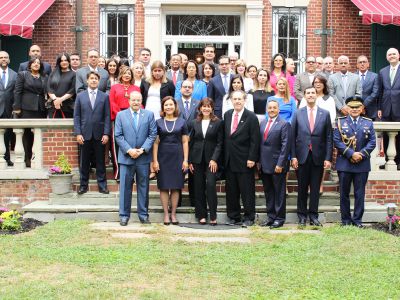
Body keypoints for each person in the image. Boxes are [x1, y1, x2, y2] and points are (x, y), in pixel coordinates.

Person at [291, 86, 332, 226]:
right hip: (302, 156)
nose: (310, 95)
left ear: (317, 95)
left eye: (313, 93)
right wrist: (293, 156)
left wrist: (328, 158)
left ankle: (313, 216)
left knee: (315, 188)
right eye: (308, 93)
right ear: (304, 96)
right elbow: (292, 136)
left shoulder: (325, 114)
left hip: (318, 156)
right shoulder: (298, 113)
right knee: (302, 187)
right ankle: (302, 216)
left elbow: (328, 138)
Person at [115, 91, 157, 226]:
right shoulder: (121, 115)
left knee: (143, 187)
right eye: (133, 100)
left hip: (143, 158)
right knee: (125, 188)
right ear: (129, 101)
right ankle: (124, 215)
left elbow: (152, 134)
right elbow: (118, 135)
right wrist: (129, 150)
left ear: (141, 101)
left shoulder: (149, 115)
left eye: (138, 100)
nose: (136, 102)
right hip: (126, 158)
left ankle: (143, 215)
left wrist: (142, 149)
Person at [334, 96, 376, 227]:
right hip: (345, 163)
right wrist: (351, 154)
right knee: (344, 194)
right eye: (352, 107)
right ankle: (345, 220)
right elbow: (336, 141)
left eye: (357, 107)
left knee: (359, 194)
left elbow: (372, 142)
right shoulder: (340, 122)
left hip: (362, 164)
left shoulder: (368, 122)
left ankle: (357, 220)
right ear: (347, 108)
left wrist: (361, 155)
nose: (354, 109)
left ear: (362, 108)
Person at [224, 90, 260, 227]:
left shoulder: (251, 117)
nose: (237, 101)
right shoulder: (227, 115)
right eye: (235, 99)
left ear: (245, 100)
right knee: (231, 191)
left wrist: (252, 158)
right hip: (229, 160)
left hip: (245, 160)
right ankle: (234, 217)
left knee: (247, 191)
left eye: (240, 99)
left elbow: (255, 140)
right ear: (231, 101)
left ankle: (249, 217)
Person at [152, 96, 189, 225]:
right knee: (163, 186)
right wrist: (155, 161)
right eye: (166, 105)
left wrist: (186, 160)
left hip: (177, 156)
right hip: (162, 157)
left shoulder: (182, 122)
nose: (169, 107)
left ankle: (173, 214)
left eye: (171, 104)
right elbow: (155, 143)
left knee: (175, 187)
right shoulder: (158, 122)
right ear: (163, 107)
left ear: (175, 106)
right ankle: (166, 214)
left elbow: (185, 141)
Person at [73, 71, 111, 195]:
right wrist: (78, 133)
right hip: (84, 134)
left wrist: (106, 133)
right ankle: (83, 185)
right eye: (91, 78)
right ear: (87, 81)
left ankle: (102, 185)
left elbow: (107, 116)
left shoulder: (104, 96)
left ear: (98, 81)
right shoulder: (80, 96)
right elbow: (77, 116)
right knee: (84, 162)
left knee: (100, 162)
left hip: (100, 134)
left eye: (96, 79)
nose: (94, 80)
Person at [189, 98, 223, 225]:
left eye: (209, 106)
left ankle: (213, 215)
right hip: (197, 159)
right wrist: (190, 161)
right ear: (200, 108)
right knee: (198, 187)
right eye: (204, 106)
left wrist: (214, 159)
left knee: (210, 185)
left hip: (211, 160)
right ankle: (201, 215)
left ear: (212, 108)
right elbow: (191, 142)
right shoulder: (194, 123)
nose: (206, 109)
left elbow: (220, 143)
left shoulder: (218, 122)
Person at [259, 99, 291, 228]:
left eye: (274, 108)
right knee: (269, 192)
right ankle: (271, 217)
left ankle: (279, 218)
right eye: (270, 108)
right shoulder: (263, 123)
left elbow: (285, 146)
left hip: (277, 165)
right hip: (264, 164)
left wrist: (280, 164)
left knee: (279, 193)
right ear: (267, 109)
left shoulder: (284, 124)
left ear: (279, 109)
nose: (271, 110)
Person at [13, 57, 48, 168]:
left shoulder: (44, 77)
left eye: (38, 63)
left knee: (38, 134)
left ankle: (37, 157)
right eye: (34, 63)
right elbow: (17, 91)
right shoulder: (23, 74)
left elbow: (46, 92)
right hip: (26, 108)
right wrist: (17, 107)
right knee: (27, 134)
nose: (36, 64)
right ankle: (27, 158)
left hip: (40, 108)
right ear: (30, 65)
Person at [109, 66, 140, 179]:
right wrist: (121, 115)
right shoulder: (114, 87)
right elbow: (112, 102)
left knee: (132, 143)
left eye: (129, 73)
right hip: (118, 117)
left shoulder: (136, 88)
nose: (127, 75)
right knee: (118, 144)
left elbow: (139, 103)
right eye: (125, 73)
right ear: (121, 75)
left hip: (133, 117)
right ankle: (119, 172)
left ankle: (132, 173)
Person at [377, 48, 400, 169]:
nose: (392, 56)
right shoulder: (382, 71)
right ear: (387, 57)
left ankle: (399, 161)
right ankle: (387, 160)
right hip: (386, 107)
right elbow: (380, 91)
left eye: (394, 54)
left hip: (399, 107)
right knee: (386, 134)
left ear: (398, 55)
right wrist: (379, 108)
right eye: (389, 54)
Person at [0, 51, 17, 166]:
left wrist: (15, 107)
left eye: (5, 57)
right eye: (1, 57)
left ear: (9, 59)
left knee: (7, 136)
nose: (3, 59)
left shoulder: (15, 75)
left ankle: (7, 158)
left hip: (8, 109)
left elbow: (16, 93)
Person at [47, 53, 76, 118]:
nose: (64, 62)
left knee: (67, 127)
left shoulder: (73, 74)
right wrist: (55, 100)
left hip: (68, 107)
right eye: (61, 61)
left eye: (65, 60)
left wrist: (60, 100)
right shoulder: (53, 73)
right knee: (54, 127)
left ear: (69, 61)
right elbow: (49, 88)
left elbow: (72, 90)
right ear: (59, 62)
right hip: (54, 105)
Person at [356, 55, 379, 120]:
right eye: (360, 62)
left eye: (364, 62)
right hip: (355, 109)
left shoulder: (375, 76)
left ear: (368, 64)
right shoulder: (353, 76)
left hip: (371, 109)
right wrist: (358, 105)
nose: (362, 64)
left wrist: (363, 105)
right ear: (357, 65)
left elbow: (375, 93)